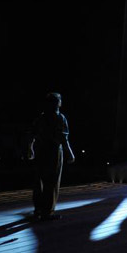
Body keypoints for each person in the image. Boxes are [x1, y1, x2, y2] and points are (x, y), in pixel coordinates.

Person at [28, 92, 75, 221]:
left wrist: (30, 148)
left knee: (40, 180)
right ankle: (47, 211)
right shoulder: (60, 118)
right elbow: (63, 138)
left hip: (41, 150)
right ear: (58, 103)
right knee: (52, 181)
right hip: (54, 151)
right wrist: (70, 153)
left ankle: (38, 209)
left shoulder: (41, 118)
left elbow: (32, 135)